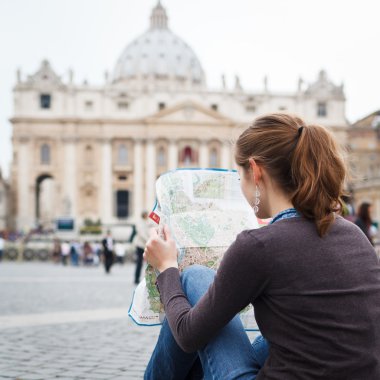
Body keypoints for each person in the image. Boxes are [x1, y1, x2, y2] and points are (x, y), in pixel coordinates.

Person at [143, 113, 380, 379]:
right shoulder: (355, 235)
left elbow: (187, 334)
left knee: (194, 276)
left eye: (239, 176)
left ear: (255, 171)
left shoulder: (259, 246)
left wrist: (166, 268)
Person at [133, 211, 150, 284]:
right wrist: (148, 239)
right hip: (141, 245)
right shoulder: (140, 223)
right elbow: (141, 233)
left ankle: (148, 278)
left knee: (148, 263)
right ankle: (136, 278)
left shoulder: (146, 223)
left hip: (145, 244)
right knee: (139, 263)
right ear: (145, 216)